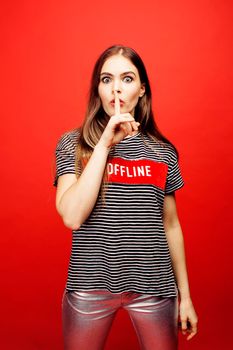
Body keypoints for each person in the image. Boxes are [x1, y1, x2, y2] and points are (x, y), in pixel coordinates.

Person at [53, 44, 198, 350]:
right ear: (98, 88)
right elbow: (72, 216)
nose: (116, 88)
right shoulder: (73, 143)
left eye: (127, 79)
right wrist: (104, 144)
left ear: (142, 90)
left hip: (154, 289)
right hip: (89, 288)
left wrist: (185, 297)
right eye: (106, 79)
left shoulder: (162, 151)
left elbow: (170, 226)